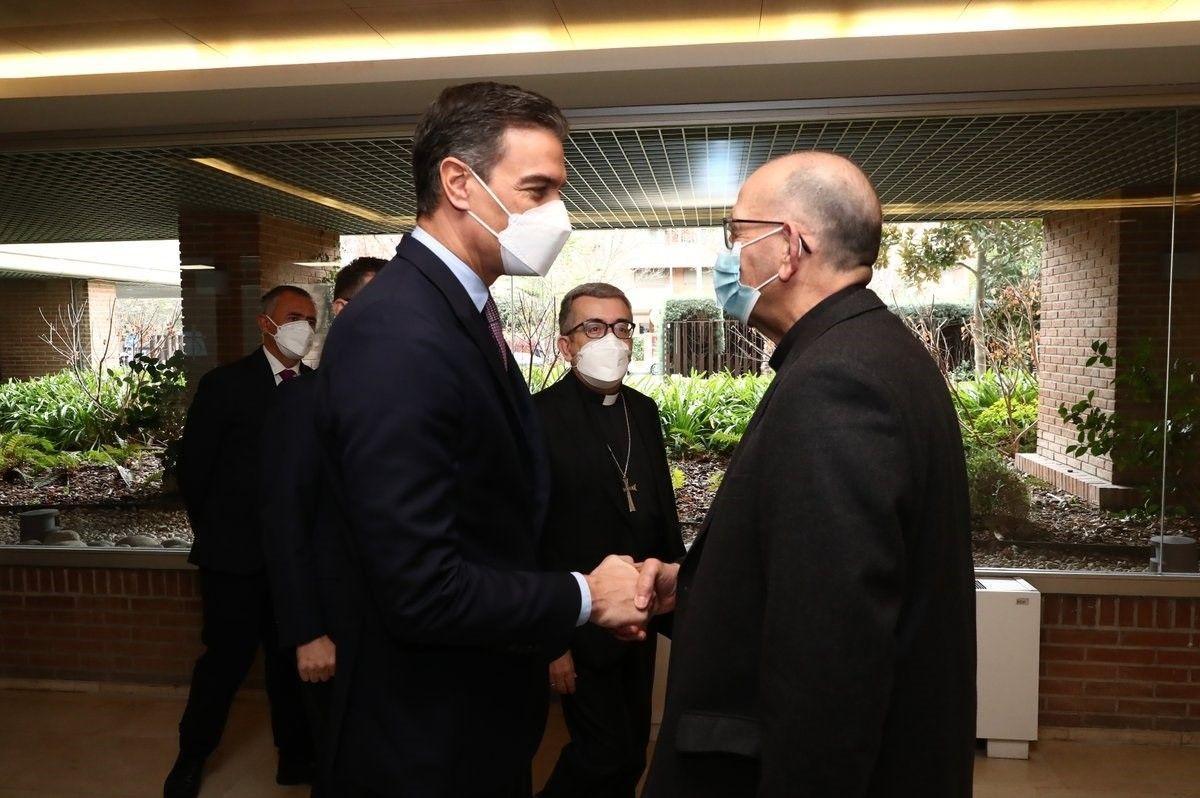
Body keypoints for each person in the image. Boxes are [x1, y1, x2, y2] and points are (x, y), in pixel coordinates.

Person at [312, 81, 651, 798]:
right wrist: (582, 598)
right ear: (459, 183)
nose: (554, 214)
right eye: (536, 189)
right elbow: (419, 588)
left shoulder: (460, 313)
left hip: (474, 713)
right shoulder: (399, 332)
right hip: (424, 736)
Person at [634, 152, 977, 797]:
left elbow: (832, 656)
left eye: (736, 235)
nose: (728, 257)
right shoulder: (868, 351)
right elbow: (812, 570)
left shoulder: (836, 382)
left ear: (789, 248)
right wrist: (695, 585)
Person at [165, 285, 320, 798]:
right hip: (234, 560)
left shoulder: (320, 388)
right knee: (223, 663)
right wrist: (220, 533)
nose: (303, 326)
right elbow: (196, 473)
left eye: (310, 319)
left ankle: (295, 760)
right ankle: (191, 758)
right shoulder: (224, 385)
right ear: (265, 324)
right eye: (293, 316)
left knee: (291, 667)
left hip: (297, 565)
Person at [535, 283, 685, 798]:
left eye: (623, 327)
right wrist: (554, 643)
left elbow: (660, 507)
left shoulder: (641, 409)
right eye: (593, 328)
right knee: (601, 754)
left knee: (632, 752)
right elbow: (534, 538)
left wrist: (680, 597)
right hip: (580, 621)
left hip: (641, 613)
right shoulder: (538, 417)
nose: (612, 339)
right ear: (566, 344)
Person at [259, 257, 386, 797]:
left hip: (401, 629)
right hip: (333, 629)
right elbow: (285, 526)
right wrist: (308, 631)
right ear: (343, 311)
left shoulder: (411, 396)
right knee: (342, 768)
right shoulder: (300, 403)